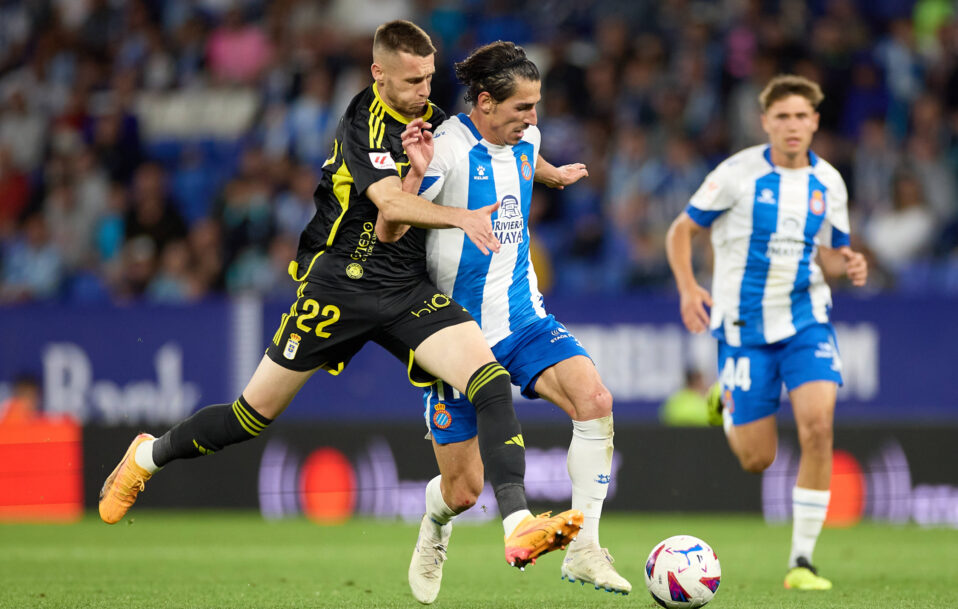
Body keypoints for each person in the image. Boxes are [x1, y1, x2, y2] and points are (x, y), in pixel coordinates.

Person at [98, 20, 582, 570]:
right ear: (379, 74)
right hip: (340, 286)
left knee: (490, 380)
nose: (423, 91)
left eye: (428, 78)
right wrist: (461, 217)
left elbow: (494, 142)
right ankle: (146, 456)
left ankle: (518, 526)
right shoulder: (364, 122)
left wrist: (548, 174)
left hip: (404, 288)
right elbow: (390, 212)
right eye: (410, 81)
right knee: (249, 417)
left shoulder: (436, 122)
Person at [377, 41, 630, 603]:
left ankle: (585, 547)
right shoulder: (443, 150)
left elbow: (524, 157)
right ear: (485, 103)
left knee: (595, 401)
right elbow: (391, 226)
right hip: (458, 336)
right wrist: (417, 177)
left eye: (537, 107)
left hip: (524, 317)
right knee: (463, 492)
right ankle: (435, 522)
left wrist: (552, 176)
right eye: (523, 109)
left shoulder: (527, 139)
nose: (534, 120)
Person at [664, 74, 868, 591]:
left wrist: (852, 265)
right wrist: (689, 289)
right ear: (765, 123)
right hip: (743, 327)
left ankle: (802, 562)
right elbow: (681, 229)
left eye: (802, 116)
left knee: (818, 428)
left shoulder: (831, 183)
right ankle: (728, 405)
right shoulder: (737, 174)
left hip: (806, 321)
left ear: (816, 121)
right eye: (782, 117)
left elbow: (832, 253)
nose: (792, 125)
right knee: (758, 459)